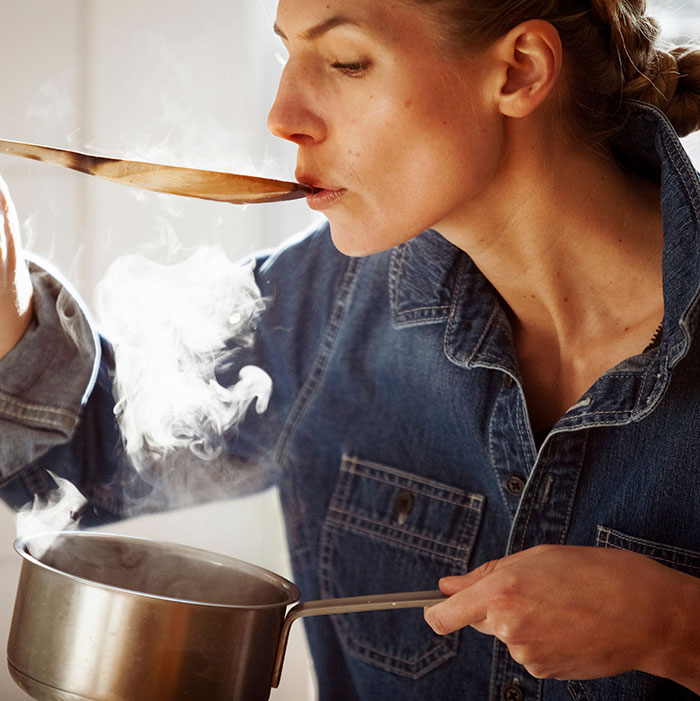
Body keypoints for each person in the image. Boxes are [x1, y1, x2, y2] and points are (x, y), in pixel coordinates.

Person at [1, 0, 700, 698]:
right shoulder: (340, 294)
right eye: (286, 55)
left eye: (345, 62)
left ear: (519, 71)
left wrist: (672, 626)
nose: (281, 116)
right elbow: (80, 459)